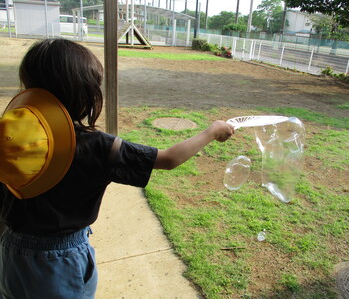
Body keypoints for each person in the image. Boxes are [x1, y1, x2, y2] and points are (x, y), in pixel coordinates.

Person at [0, 38, 234, 298]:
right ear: (85, 93)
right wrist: (212, 131)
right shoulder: (97, 146)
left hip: (11, 252)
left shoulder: (9, 140)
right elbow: (168, 159)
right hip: (59, 264)